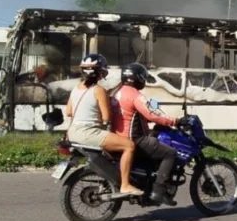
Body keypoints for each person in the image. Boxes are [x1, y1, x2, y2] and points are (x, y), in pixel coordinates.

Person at [64, 54, 142, 197]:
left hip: (73, 132)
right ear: (100, 72)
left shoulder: (76, 88)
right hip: (89, 133)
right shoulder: (98, 90)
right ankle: (125, 185)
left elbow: (69, 112)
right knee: (129, 146)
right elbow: (107, 118)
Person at [112, 63, 184, 206]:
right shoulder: (135, 95)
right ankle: (159, 191)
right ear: (137, 78)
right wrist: (175, 121)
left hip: (118, 137)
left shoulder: (118, 92)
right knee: (170, 153)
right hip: (135, 139)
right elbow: (152, 115)